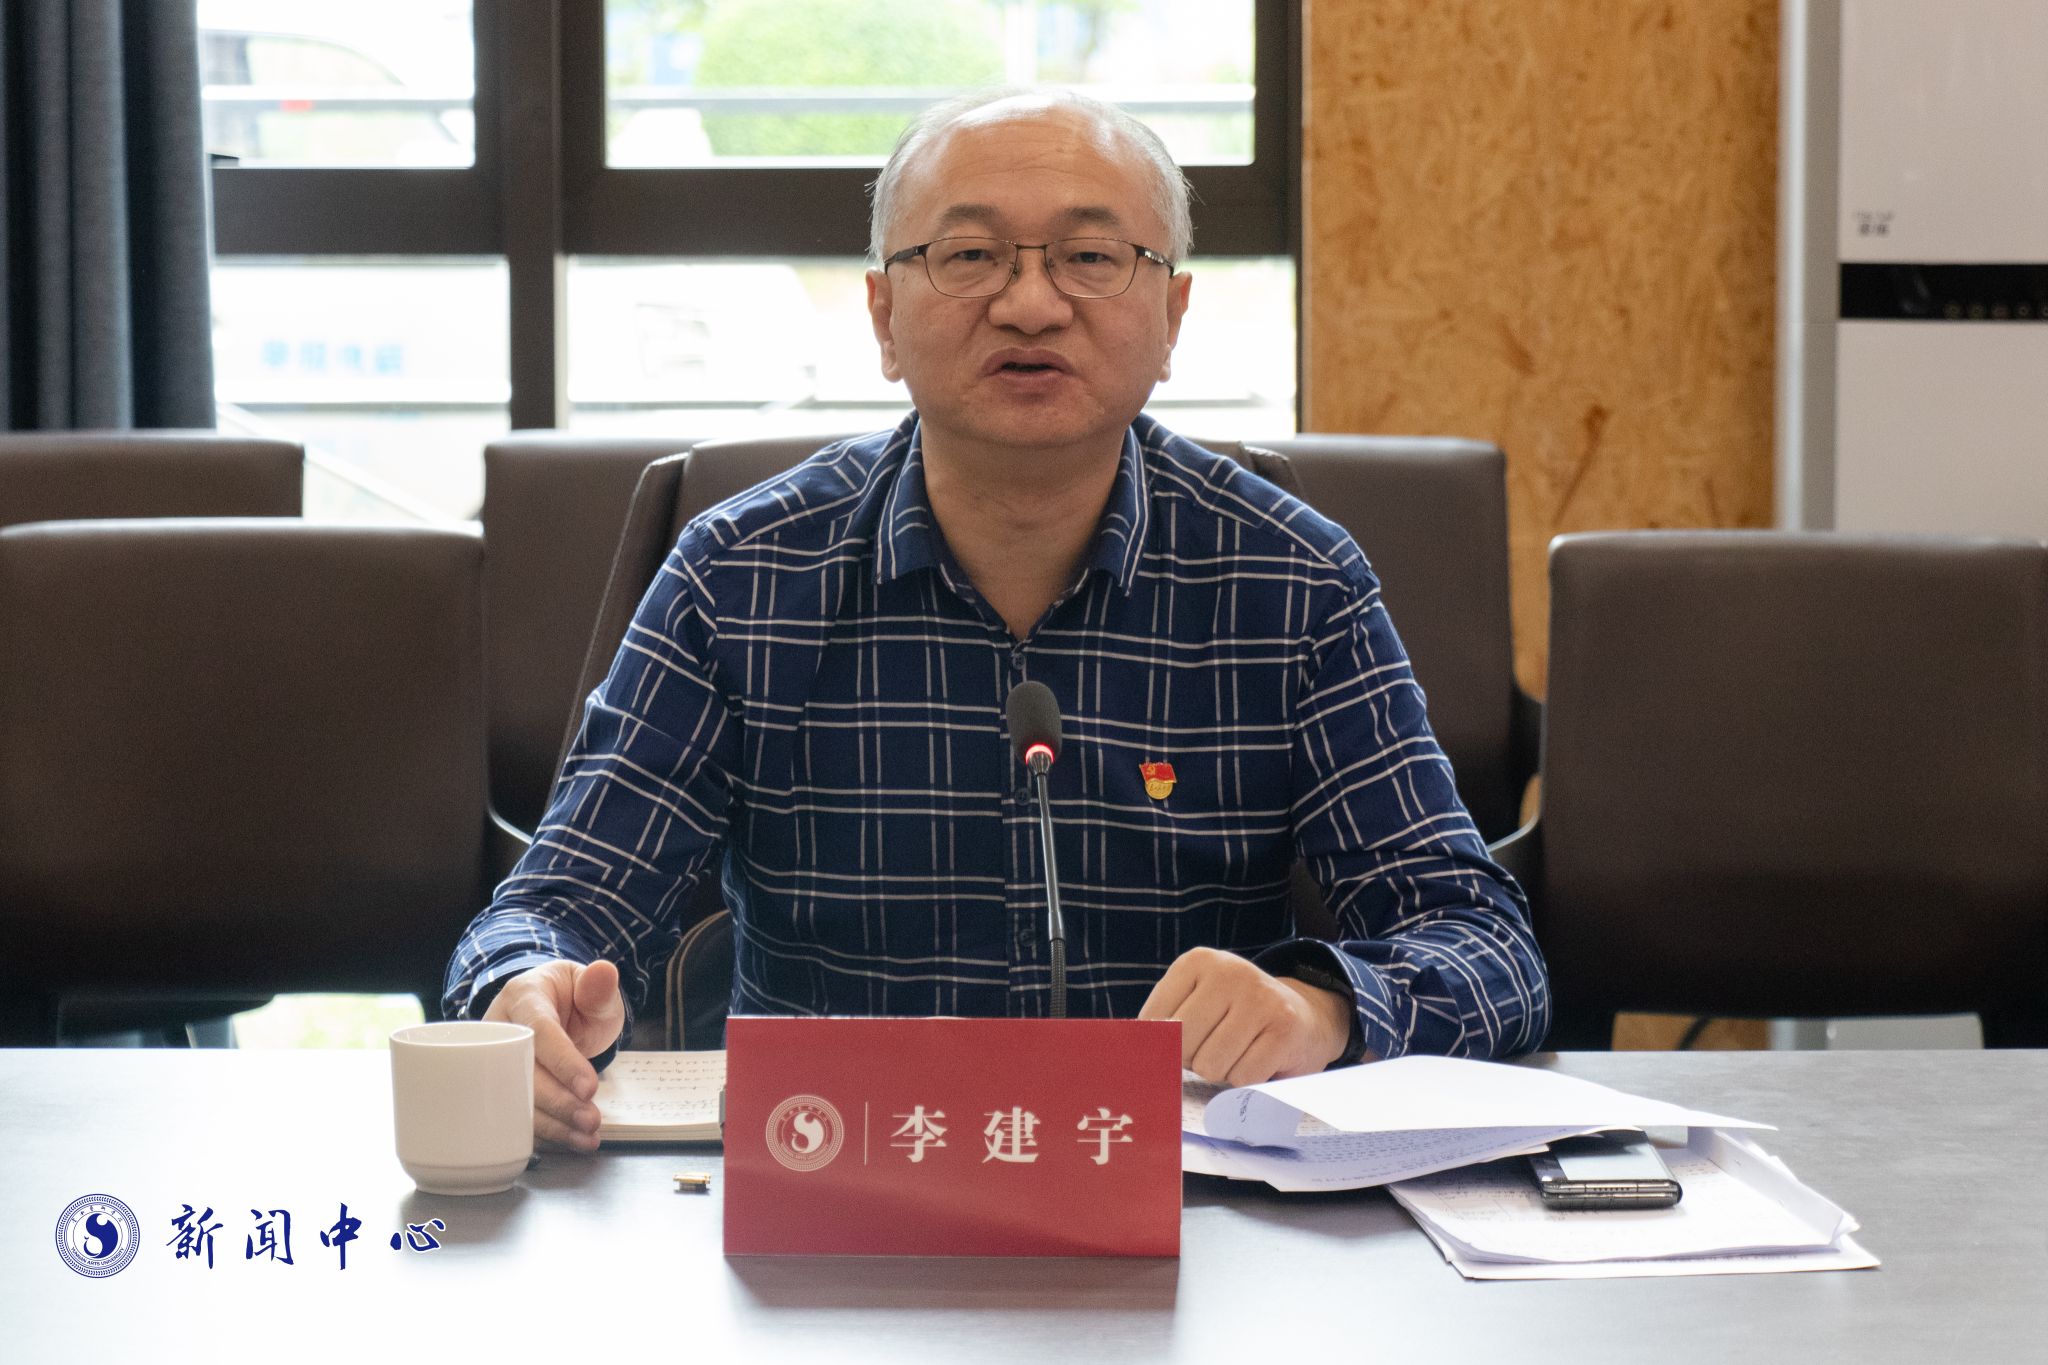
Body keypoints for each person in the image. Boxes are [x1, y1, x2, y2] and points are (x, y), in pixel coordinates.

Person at [445, 89, 1549, 1151]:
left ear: (1171, 318)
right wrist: (522, 989)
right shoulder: (739, 577)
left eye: (1090, 256)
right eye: (969, 255)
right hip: (830, 1189)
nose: (1030, 305)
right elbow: (559, 903)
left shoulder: (1292, 581)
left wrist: (1323, 1009)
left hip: (1191, 1208)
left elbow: (1484, 944)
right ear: (883, 316)